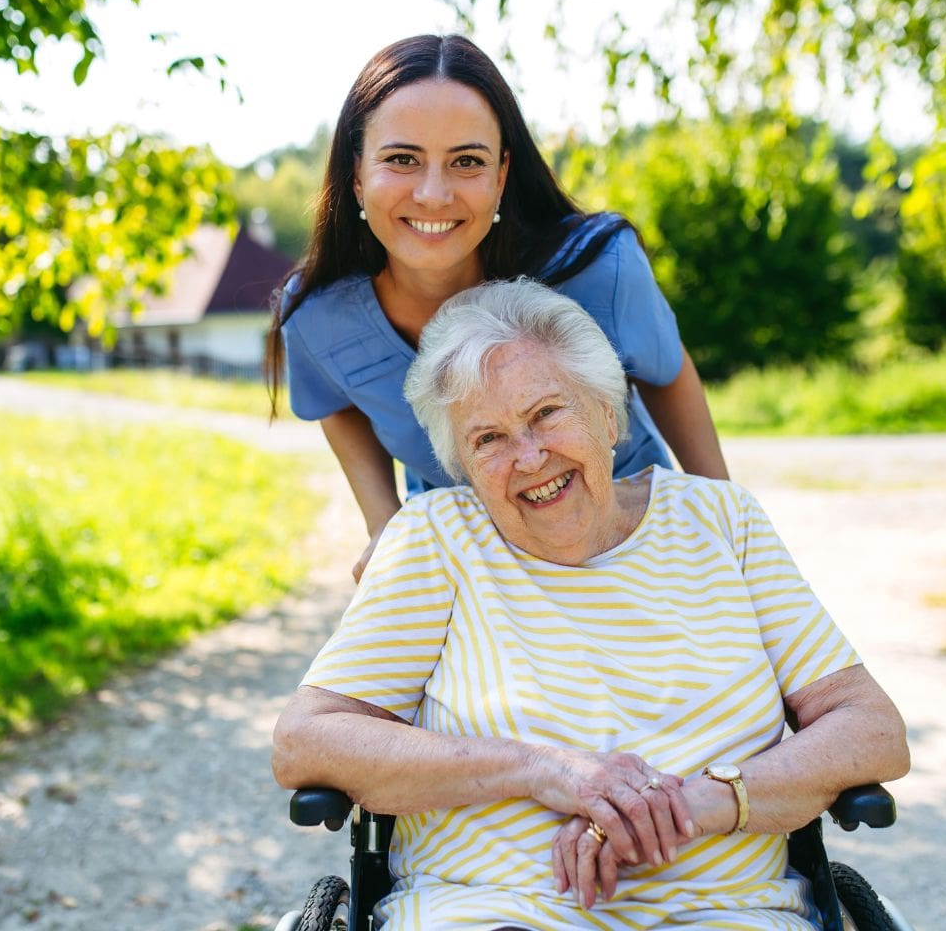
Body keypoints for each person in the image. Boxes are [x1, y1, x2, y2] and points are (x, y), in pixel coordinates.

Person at [272, 280, 909, 931]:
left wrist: (689, 805)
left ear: (609, 415)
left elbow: (871, 729)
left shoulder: (722, 522)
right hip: (492, 915)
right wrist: (542, 770)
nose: (528, 457)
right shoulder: (437, 539)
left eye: (548, 413)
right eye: (488, 439)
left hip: (731, 916)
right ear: (460, 462)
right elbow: (307, 741)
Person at [265, 33, 729, 581]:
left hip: (633, 540)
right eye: (402, 159)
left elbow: (667, 373)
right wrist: (383, 523)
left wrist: (725, 518)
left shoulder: (600, 269)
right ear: (358, 177)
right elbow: (334, 399)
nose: (434, 195)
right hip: (471, 564)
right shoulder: (318, 316)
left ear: (502, 175)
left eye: (466, 161)